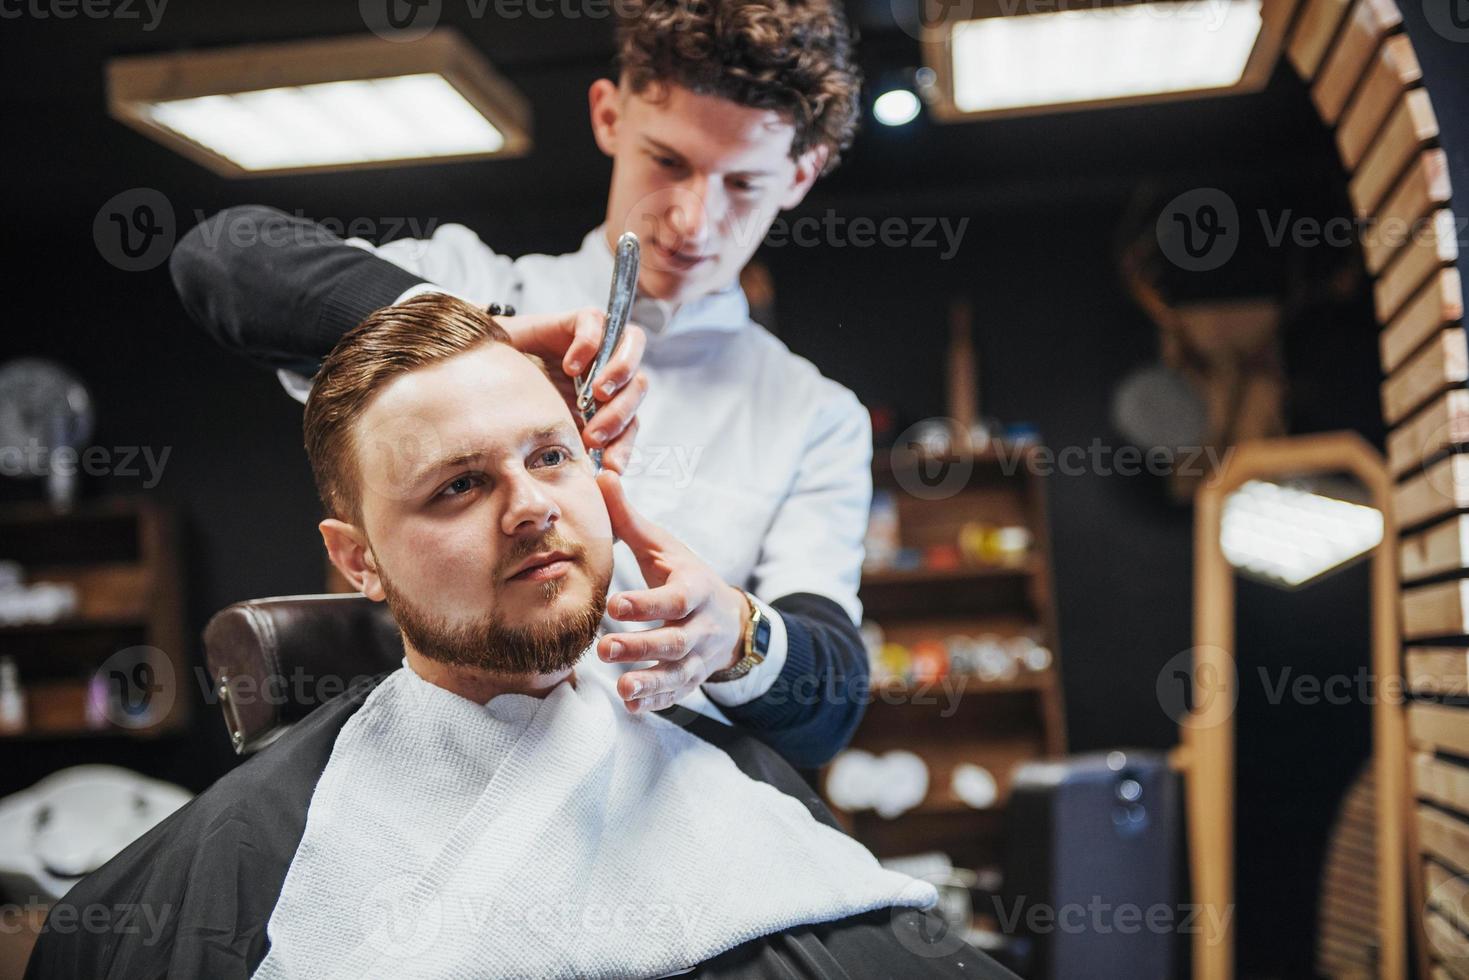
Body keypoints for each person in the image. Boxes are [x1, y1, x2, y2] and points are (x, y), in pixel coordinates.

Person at [25, 296, 1012, 979]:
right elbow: (225, 256)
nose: (533, 506)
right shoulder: (209, 880)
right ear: (357, 558)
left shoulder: (730, 764)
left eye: (550, 454)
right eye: (459, 484)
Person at [170, 0, 874, 769]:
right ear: (609, 115)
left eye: (742, 183)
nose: (693, 221)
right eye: (667, 161)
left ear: (800, 174)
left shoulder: (813, 416)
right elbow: (221, 259)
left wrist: (736, 634)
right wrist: (474, 340)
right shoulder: (470, 284)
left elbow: (829, 706)